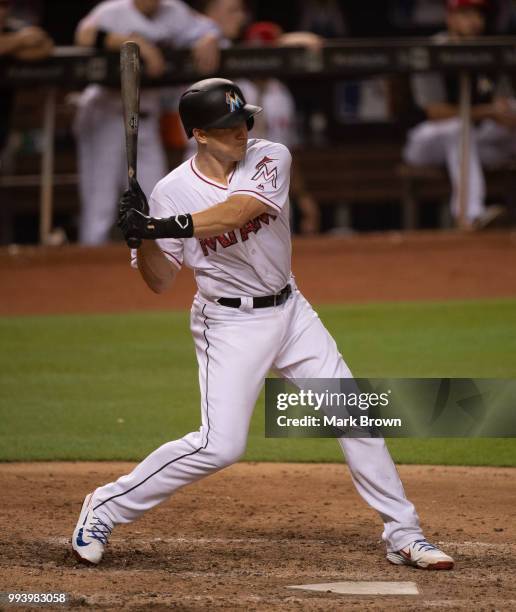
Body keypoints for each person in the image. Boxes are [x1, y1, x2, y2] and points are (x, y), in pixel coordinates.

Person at [72, 77, 454, 572]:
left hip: (291, 311)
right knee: (221, 445)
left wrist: (159, 226)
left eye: (243, 119)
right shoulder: (170, 191)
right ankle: (104, 507)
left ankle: (405, 534)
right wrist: (140, 237)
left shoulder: (271, 155)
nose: (241, 130)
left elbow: (240, 211)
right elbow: (161, 280)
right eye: (228, 125)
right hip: (228, 324)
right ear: (200, 135)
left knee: (353, 413)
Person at [74, 0, 222, 245]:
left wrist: (209, 38)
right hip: (107, 112)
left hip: (147, 116)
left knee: (155, 199)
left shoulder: (174, 11)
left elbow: (209, 28)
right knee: (100, 203)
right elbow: (83, 35)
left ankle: (149, 265)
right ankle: (87, 271)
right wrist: (132, 43)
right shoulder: (113, 10)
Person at [404, 0, 516, 229]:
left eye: (478, 15)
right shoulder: (432, 51)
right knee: (457, 128)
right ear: (450, 18)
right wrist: (489, 112)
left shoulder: (491, 52)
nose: (475, 21)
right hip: (427, 143)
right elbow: (434, 112)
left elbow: (504, 104)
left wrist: (506, 114)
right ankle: (470, 215)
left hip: (476, 143)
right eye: (466, 14)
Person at [0, 0, 53, 158]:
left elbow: (45, 46)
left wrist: (7, 48)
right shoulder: (19, 37)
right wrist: (19, 42)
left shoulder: (12, 29)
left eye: (4, 6)